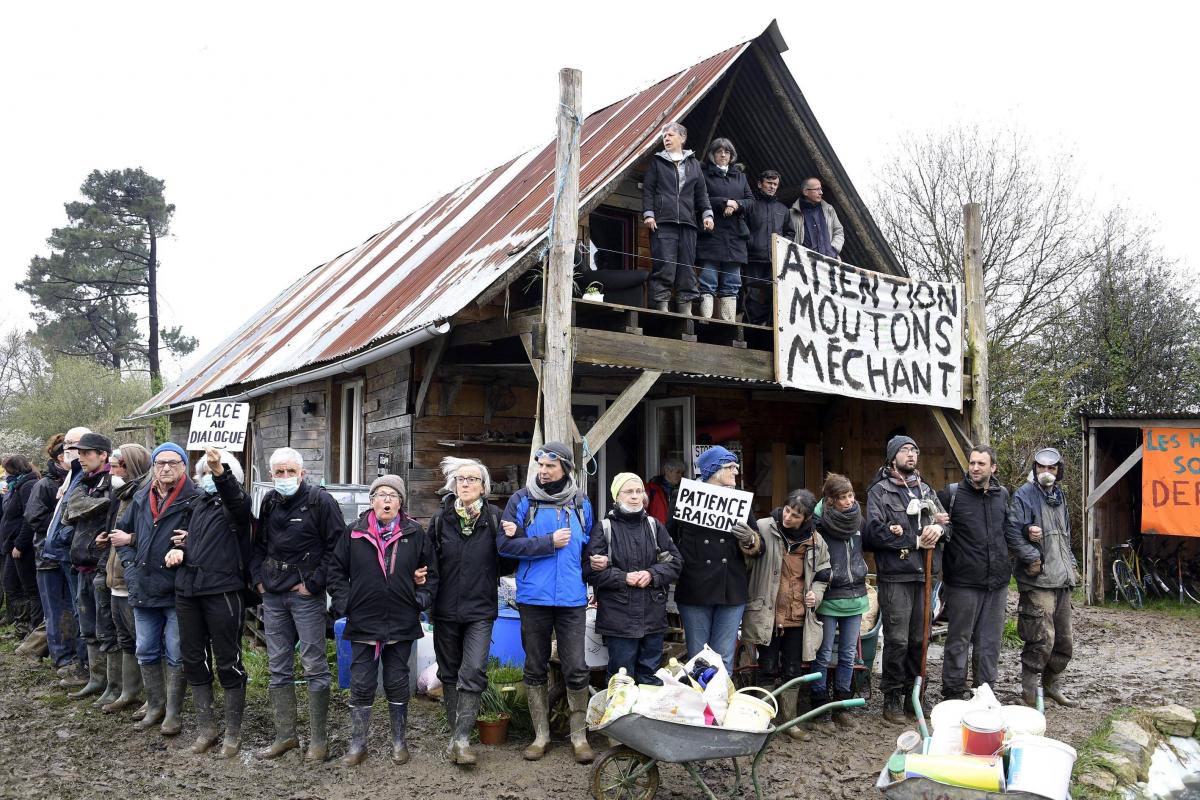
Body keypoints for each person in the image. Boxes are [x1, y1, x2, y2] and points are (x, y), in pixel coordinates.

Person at [328, 474, 437, 766]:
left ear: (400, 503)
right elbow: (336, 572)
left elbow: (431, 575)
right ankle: (357, 743)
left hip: (401, 621)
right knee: (361, 683)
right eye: (381, 494)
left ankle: (399, 742)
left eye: (393, 495)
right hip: (363, 621)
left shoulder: (414, 533)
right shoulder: (353, 533)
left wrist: (420, 600)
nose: (387, 500)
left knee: (397, 680)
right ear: (372, 500)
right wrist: (345, 603)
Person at [498, 441, 594, 763]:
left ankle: (579, 737)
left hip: (571, 600)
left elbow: (587, 549)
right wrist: (546, 543)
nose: (542, 471)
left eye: (549, 466)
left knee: (577, 667)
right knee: (535, 665)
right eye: (539, 465)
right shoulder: (521, 501)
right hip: (533, 598)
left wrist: (589, 571)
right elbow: (505, 548)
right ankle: (541, 736)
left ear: (565, 467)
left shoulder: (581, 502)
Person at [250, 446, 343, 762]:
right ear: (272, 475)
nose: (285, 477)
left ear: (303, 473)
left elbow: (337, 547)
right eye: (279, 472)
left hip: (305, 597)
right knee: (278, 666)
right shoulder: (269, 501)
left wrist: (314, 584)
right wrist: (258, 579)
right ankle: (285, 736)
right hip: (273, 595)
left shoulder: (321, 501)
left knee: (314, 665)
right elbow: (258, 544)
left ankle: (319, 741)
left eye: (291, 472)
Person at [166, 447, 252, 757]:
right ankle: (207, 728)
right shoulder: (196, 504)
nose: (206, 477)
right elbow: (188, 541)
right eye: (202, 472)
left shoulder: (237, 503)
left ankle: (233, 733)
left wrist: (221, 471)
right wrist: (177, 550)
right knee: (192, 658)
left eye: (211, 472)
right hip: (188, 589)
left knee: (228, 660)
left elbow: (236, 501)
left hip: (223, 590)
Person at [113, 442, 196, 735]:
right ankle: (155, 705)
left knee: (175, 652)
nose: (165, 468)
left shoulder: (195, 499)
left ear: (184, 466)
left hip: (177, 590)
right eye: (160, 463)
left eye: (173, 463)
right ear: (153, 467)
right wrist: (131, 565)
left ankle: (173, 712)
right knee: (145, 649)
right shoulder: (140, 497)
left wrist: (189, 545)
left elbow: (206, 540)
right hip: (144, 586)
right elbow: (119, 536)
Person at [428, 457, 507, 766]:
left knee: (472, 670)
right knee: (449, 673)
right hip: (445, 609)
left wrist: (513, 538)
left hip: (480, 609)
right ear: (453, 484)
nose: (467, 483)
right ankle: (455, 738)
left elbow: (509, 562)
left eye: (473, 479)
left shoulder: (495, 519)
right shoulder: (440, 519)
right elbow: (429, 563)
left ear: (484, 487)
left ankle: (462, 740)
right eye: (462, 479)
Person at [864, 435, 947, 723]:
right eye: (904, 450)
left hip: (925, 575)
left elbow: (944, 523)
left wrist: (939, 531)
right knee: (897, 640)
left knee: (919, 639)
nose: (911, 455)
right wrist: (914, 541)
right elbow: (873, 534)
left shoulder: (925, 490)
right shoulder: (880, 492)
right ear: (892, 457)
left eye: (914, 450)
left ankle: (916, 697)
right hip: (896, 576)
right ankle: (892, 698)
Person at [744, 488, 828, 740]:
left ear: (806, 519)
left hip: (797, 615)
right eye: (787, 511)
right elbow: (747, 559)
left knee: (793, 670)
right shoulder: (764, 527)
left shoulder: (815, 540)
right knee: (767, 667)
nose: (788, 518)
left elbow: (824, 571)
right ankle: (762, 721)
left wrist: (816, 593)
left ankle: (790, 722)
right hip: (767, 614)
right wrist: (748, 544)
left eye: (795, 516)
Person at [584, 473, 682, 685]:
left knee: (649, 677)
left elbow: (675, 562)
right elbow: (589, 570)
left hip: (652, 618)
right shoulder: (604, 529)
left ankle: (646, 719)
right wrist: (624, 577)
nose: (635, 496)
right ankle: (619, 718)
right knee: (621, 679)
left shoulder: (655, 526)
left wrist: (652, 574)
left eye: (639, 491)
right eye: (628, 492)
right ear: (616, 497)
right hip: (618, 619)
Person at [672, 445, 760, 674]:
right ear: (714, 470)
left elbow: (760, 547)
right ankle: (700, 708)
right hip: (694, 588)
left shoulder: (740, 501)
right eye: (731, 467)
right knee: (698, 658)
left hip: (730, 589)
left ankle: (720, 708)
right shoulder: (685, 495)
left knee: (724, 658)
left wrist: (751, 539)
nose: (736, 472)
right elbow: (667, 538)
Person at [937, 446, 1011, 703]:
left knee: (990, 642)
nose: (976, 467)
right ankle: (954, 693)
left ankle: (985, 691)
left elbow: (1008, 531)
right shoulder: (952, 494)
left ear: (993, 468)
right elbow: (936, 526)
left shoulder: (1002, 495)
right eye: (972, 463)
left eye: (982, 463)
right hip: (963, 581)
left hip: (997, 582)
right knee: (959, 640)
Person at [1006, 447, 1078, 708]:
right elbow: (1012, 533)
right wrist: (1031, 557)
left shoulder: (1059, 496)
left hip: (1061, 579)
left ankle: (1051, 686)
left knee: (1064, 639)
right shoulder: (1024, 496)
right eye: (1041, 468)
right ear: (1034, 469)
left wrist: (1072, 565)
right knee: (1040, 638)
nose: (1046, 473)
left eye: (1052, 468)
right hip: (1037, 580)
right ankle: (1028, 692)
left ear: (1059, 471)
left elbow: (1065, 536)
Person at [811, 474, 871, 730]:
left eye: (851, 495)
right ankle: (819, 706)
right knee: (822, 653)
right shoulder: (819, 525)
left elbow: (873, 541)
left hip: (855, 594)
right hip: (829, 594)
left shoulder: (859, 520)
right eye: (843, 497)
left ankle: (842, 705)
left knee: (848, 654)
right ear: (831, 500)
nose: (849, 501)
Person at [62, 432, 116, 700]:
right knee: (88, 626)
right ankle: (96, 679)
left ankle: (112, 685)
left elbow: (112, 509)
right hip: (81, 563)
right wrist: (99, 503)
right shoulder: (85, 480)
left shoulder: (113, 481)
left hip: (102, 565)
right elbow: (69, 511)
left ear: (103, 454)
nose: (81, 458)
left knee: (106, 625)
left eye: (87, 453)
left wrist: (92, 504)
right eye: (79, 453)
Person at [99, 444, 151, 715]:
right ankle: (128, 690)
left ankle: (152, 697)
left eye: (118, 465)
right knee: (126, 639)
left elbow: (153, 537)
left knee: (144, 640)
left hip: (133, 578)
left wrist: (129, 539)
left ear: (132, 466)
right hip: (116, 577)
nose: (113, 470)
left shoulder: (144, 495)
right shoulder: (124, 494)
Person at [641, 122, 714, 314]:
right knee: (664, 265)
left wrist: (707, 214)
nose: (666, 138)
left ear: (682, 138)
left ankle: (685, 307)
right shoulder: (657, 162)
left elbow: (701, 193)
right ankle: (661, 305)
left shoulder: (694, 164)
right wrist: (649, 214)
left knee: (687, 268)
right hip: (663, 223)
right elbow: (648, 191)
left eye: (670, 135)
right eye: (664, 136)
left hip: (689, 224)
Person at [39, 426, 91, 685]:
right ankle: (79, 663)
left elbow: (78, 519)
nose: (68, 450)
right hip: (60, 553)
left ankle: (85, 666)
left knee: (82, 610)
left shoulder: (86, 477)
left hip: (73, 554)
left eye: (75, 445)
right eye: (67, 446)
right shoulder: (74, 476)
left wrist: (60, 539)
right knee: (72, 608)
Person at [18, 434, 68, 663]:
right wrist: (64, 523)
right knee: (54, 609)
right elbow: (34, 517)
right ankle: (57, 656)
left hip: (65, 556)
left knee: (64, 610)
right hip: (48, 556)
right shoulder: (45, 484)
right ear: (60, 457)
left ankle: (36, 648)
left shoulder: (71, 481)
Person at [695, 138, 755, 321]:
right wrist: (723, 203)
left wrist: (737, 204)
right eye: (719, 152)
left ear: (731, 156)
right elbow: (698, 198)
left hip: (735, 236)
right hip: (711, 234)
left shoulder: (740, 177)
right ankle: (706, 319)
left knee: (732, 282)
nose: (723, 155)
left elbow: (751, 202)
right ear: (712, 155)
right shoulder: (704, 175)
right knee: (708, 280)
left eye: (727, 152)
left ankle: (728, 322)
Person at [742, 169, 795, 326]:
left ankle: (768, 330)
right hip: (753, 259)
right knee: (752, 296)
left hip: (775, 261)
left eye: (775, 184)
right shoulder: (750, 205)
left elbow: (790, 233)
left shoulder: (783, 210)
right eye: (769, 183)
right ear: (760, 184)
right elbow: (742, 229)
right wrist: (750, 242)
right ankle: (752, 330)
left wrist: (781, 247)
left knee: (774, 296)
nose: (772, 187)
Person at [2, 455, 41, 642]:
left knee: (29, 588)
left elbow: (29, 518)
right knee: (11, 585)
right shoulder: (17, 485)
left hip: (21, 546)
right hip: (11, 545)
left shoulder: (27, 486)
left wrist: (20, 543)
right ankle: (21, 626)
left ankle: (31, 631)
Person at [789, 177, 844, 260]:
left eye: (821, 189)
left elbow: (838, 231)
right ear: (805, 192)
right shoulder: (792, 213)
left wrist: (833, 249)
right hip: (806, 263)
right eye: (817, 189)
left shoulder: (829, 209)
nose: (821, 192)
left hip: (830, 261)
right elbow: (789, 237)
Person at [645, 457, 685, 526]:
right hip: (657, 528)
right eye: (677, 472)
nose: (680, 476)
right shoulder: (653, 489)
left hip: (675, 529)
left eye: (681, 473)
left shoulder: (682, 489)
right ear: (667, 471)